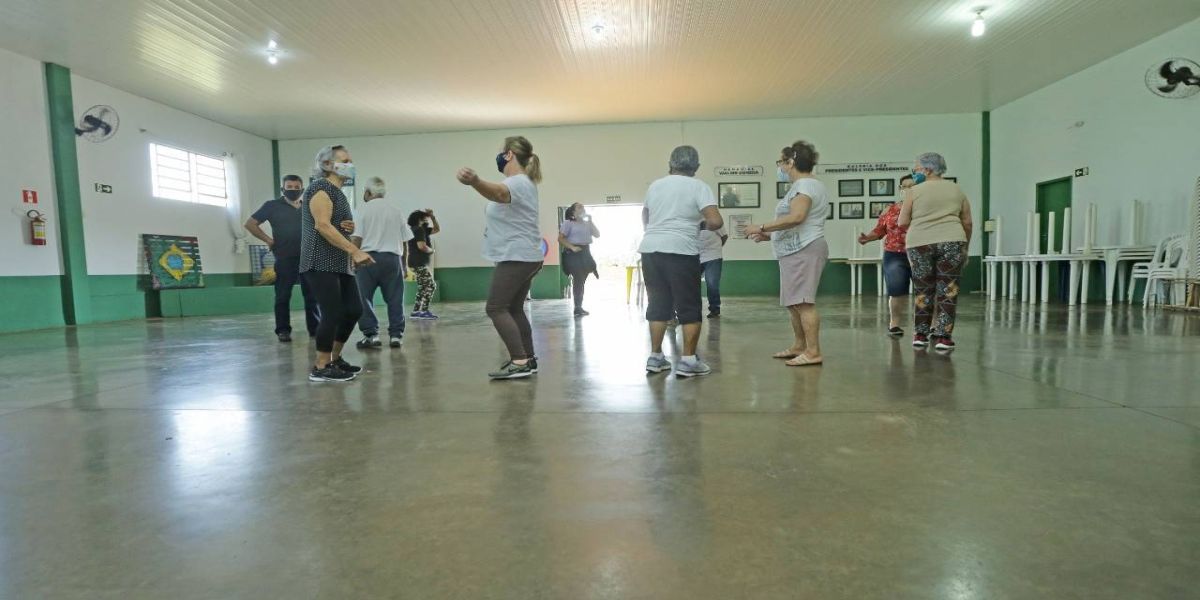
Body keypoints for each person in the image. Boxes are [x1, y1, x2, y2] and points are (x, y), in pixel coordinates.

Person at [456, 135, 544, 380]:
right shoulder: (523, 182)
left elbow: (498, 194)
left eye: (501, 151)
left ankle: (520, 360)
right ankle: (528, 358)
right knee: (514, 309)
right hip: (524, 255)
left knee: (495, 307)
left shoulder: (517, 182)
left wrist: (474, 180)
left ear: (508, 155)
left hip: (517, 256)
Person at [639, 145, 724, 377]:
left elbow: (645, 216)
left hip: (651, 249)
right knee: (689, 306)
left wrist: (656, 231)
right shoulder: (699, 187)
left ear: (671, 164)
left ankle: (655, 358)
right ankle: (688, 361)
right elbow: (715, 221)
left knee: (658, 305)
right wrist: (699, 225)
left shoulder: (655, 185)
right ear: (696, 167)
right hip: (682, 251)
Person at [743, 140, 829, 367]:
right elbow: (797, 223)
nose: (780, 167)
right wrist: (771, 236)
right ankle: (800, 346)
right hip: (795, 249)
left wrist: (761, 227)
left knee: (803, 302)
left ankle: (813, 352)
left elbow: (796, 218)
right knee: (794, 303)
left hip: (805, 249)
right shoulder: (803, 186)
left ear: (791, 162)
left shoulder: (806, 187)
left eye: (781, 162)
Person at [301, 145, 374, 382]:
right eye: (344, 161)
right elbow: (322, 225)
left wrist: (349, 229)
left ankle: (334, 358)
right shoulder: (319, 188)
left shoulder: (339, 192)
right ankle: (321, 367)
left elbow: (333, 223)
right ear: (327, 165)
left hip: (339, 262)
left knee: (353, 309)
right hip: (319, 261)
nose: (350, 165)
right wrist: (355, 250)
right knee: (332, 312)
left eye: (350, 160)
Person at [898, 152, 973, 352]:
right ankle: (943, 337)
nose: (914, 173)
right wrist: (965, 246)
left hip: (920, 242)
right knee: (948, 290)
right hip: (952, 241)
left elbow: (902, 221)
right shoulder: (957, 190)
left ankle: (920, 335)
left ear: (928, 169)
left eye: (916, 169)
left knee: (923, 289)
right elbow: (967, 221)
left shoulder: (913, 191)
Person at [244, 175, 320, 342]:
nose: (293, 190)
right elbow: (250, 223)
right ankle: (283, 330)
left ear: (302, 189)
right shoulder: (272, 206)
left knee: (312, 296)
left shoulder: (309, 207)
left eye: (296, 187)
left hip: (308, 257)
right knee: (283, 295)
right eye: (289, 186)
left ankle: (315, 329)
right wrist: (268, 240)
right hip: (285, 258)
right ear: (283, 189)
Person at [350, 177, 412, 349]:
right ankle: (396, 336)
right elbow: (406, 241)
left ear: (368, 193)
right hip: (392, 260)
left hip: (366, 259)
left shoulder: (362, 210)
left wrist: (353, 259)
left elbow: (357, 238)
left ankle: (372, 335)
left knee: (363, 298)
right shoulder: (395, 211)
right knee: (395, 299)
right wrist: (404, 265)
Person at [858, 174, 915, 336]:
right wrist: (867, 238)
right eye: (906, 186)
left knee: (926, 291)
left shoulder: (925, 208)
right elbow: (879, 230)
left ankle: (929, 326)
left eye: (913, 186)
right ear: (900, 189)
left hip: (920, 253)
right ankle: (894, 324)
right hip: (895, 254)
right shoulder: (890, 209)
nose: (909, 189)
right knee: (896, 290)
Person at [559, 203, 600, 317]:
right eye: (579, 207)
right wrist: (572, 247)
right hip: (573, 252)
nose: (582, 208)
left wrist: (590, 221)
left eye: (583, 206)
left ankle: (579, 306)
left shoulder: (587, 223)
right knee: (578, 279)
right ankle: (577, 307)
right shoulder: (568, 223)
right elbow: (560, 239)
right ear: (573, 211)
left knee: (581, 281)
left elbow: (597, 234)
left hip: (585, 251)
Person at [407, 209, 441, 320]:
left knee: (422, 287)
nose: (426, 218)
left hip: (415, 262)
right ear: (419, 219)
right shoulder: (418, 230)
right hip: (418, 262)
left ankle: (416, 311)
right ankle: (424, 311)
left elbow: (437, 229)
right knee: (431, 285)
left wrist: (433, 217)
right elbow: (421, 246)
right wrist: (431, 251)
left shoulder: (421, 230)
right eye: (424, 217)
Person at [698, 223, 729, 318]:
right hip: (695, 255)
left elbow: (724, 237)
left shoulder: (713, 220)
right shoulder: (690, 220)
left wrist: (715, 248)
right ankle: (694, 308)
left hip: (713, 256)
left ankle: (714, 309)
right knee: (691, 284)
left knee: (712, 283)